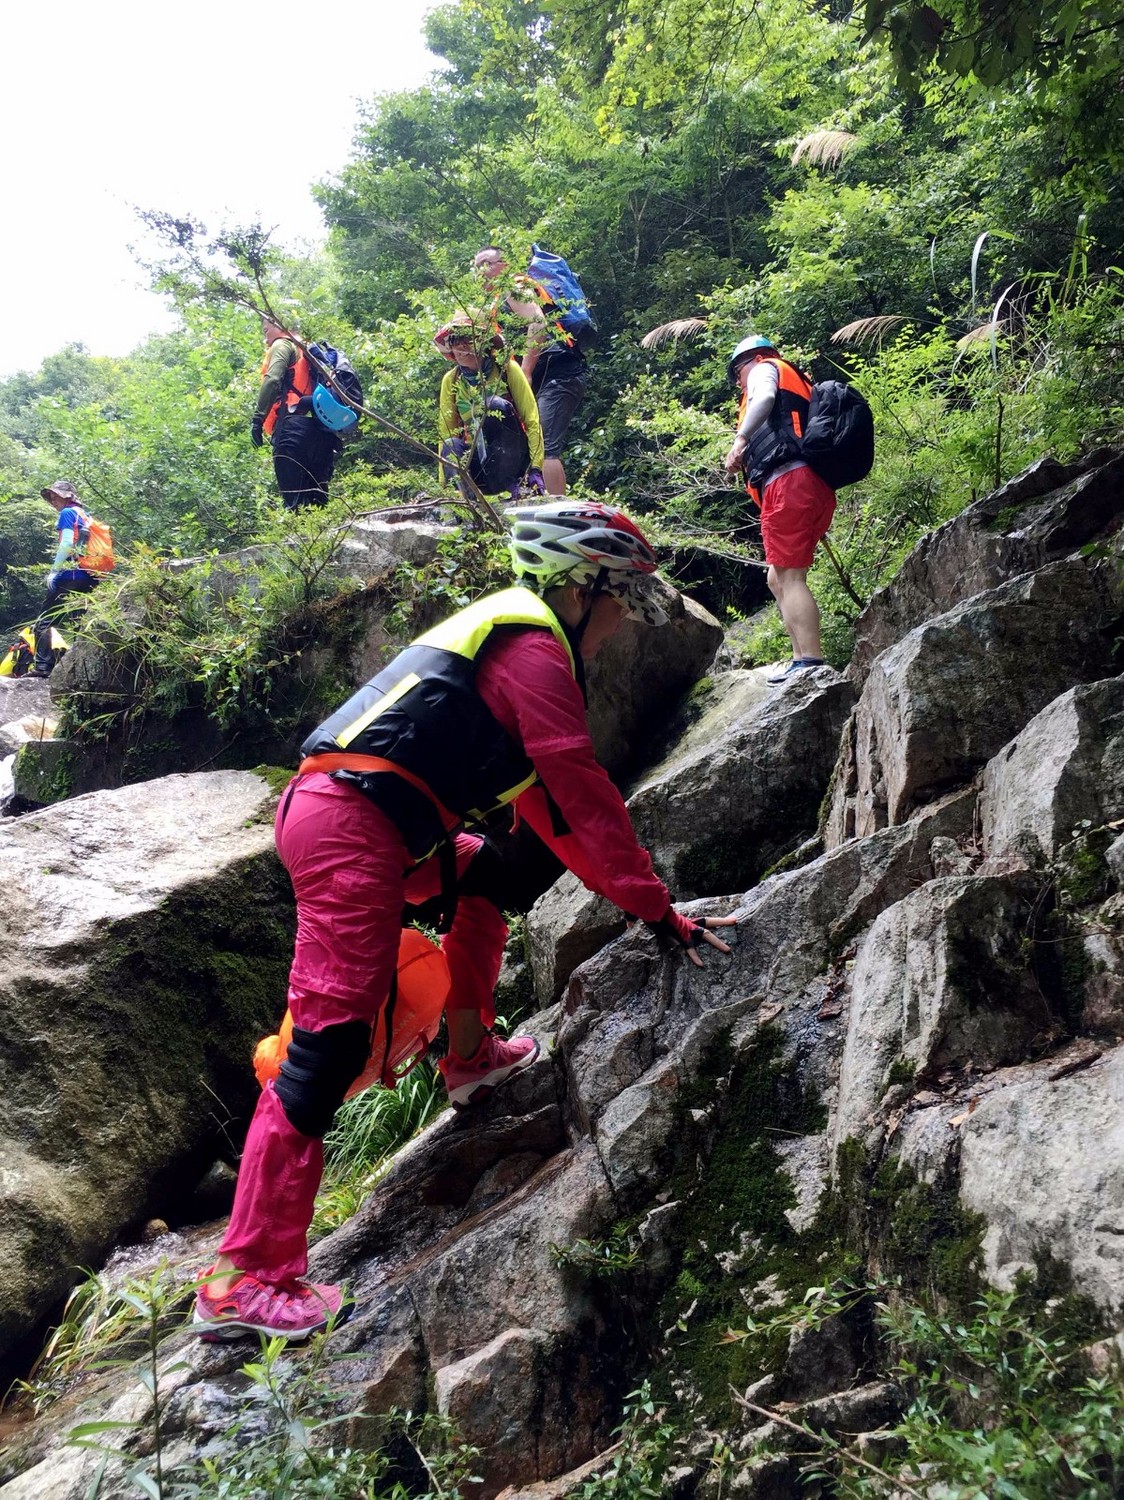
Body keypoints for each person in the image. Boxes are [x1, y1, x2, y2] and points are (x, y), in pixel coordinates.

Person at [194, 500, 736, 1343]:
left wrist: (646, 905)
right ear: (580, 587)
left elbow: (551, 814)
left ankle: (470, 1058)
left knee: (487, 870)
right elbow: (581, 793)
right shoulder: (532, 649)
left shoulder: (513, 641)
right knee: (329, 1040)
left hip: (378, 818)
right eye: (621, 599)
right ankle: (245, 1276)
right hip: (349, 824)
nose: (623, 621)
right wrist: (656, 909)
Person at [722, 336, 836, 684]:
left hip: (789, 482)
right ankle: (800, 659)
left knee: (790, 577)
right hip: (808, 483)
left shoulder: (764, 368)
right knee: (777, 577)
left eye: (737, 373)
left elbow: (765, 398)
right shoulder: (798, 381)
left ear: (753, 358)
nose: (739, 383)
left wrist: (740, 440)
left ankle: (810, 662)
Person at [474, 247, 589, 496]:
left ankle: (557, 507)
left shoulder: (514, 288)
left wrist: (525, 372)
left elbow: (538, 322)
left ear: (504, 265)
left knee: (545, 446)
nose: (481, 271)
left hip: (559, 373)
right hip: (546, 377)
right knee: (529, 446)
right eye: (476, 267)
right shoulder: (496, 304)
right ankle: (535, 500)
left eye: (486, 263)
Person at [435, 311, 545, 500]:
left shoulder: (506, 369)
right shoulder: (452, 381)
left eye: (468, 338)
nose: (461, 346)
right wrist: (442, 485)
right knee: (452, 444)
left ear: (484, 342)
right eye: (454, 340)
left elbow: (532, 419)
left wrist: (536, 469)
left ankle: (518, 484)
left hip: (514, 462)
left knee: (493, 405)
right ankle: (465, 501)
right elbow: (446, 433)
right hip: (479, 468)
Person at [251, 318, 341, 510]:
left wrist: (258, 419)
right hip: (320, 432)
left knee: (295, 504)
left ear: (278, 325)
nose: (266, 339)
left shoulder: (282, 345)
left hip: (292, 429)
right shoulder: (306, 350)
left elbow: (273, 380)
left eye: (266, 331)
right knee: (318, 504)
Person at [30, 480, 112, 678]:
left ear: (67, 497)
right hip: (90, 575)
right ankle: (80, 669)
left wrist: (54, 571)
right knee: (79, 622)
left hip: (70, 574)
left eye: (56, 496)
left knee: (46, 620)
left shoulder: (67, 513)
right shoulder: (85, 515)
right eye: (51, 497)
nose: (53, 500)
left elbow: (67, 544)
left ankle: (43, 666)